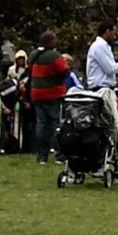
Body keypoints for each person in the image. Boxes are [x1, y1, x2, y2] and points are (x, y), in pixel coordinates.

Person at [28, 32, 70, 164]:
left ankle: (41, 156)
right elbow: (65, 71)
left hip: (37, 94)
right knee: (55, 125)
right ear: (50, 41)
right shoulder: (55, 56)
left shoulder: (33, 55)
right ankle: (58, 154)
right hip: (53, 94)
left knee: (41, 125)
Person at [85, 23, 118, 91]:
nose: (114, 37)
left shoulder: (103, 46)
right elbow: (110, 69)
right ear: (108, 31)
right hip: (100, 89)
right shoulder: (100, 46)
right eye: (113, 33)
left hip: (104, 88)